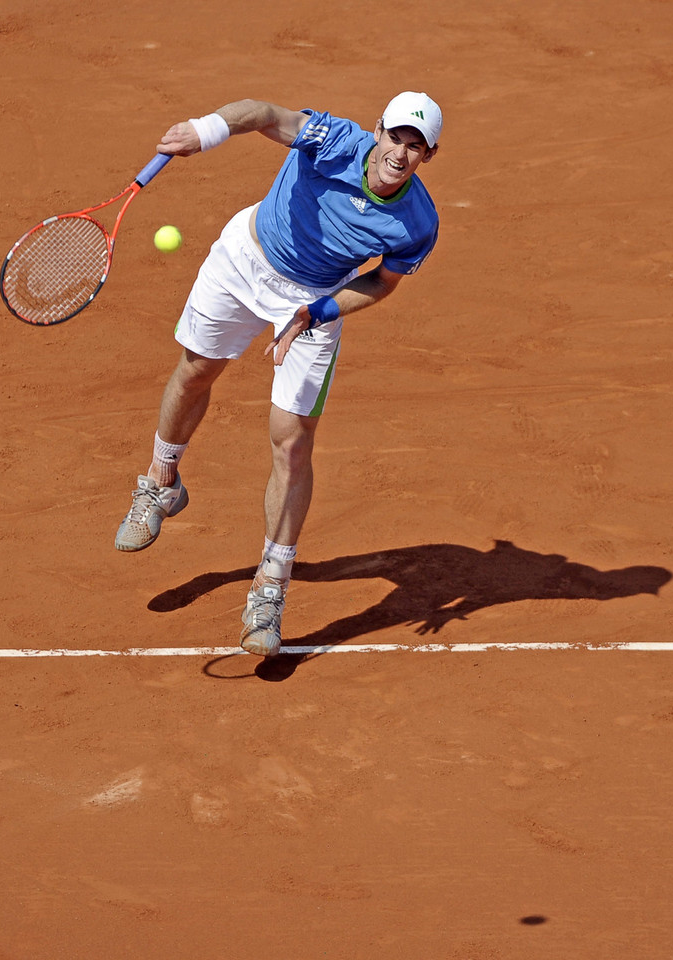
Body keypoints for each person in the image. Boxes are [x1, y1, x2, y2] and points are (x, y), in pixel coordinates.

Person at [115, 91, 442, 657]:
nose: (401, 153)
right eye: (395, 137)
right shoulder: (334, 140)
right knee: (196, 370)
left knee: (292, 443)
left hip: (313, 303)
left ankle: (270, 587)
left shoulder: (417, 223)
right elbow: (263, 114)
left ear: (427, 157)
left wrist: (318, 312)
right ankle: (160, 484)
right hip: (245, 259)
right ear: (378, 131)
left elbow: (382, 283)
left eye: (416, 147)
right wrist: (206, 128)